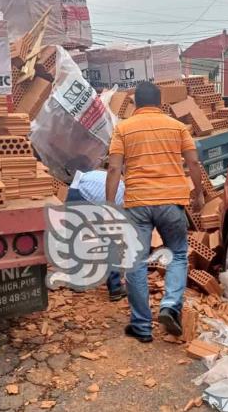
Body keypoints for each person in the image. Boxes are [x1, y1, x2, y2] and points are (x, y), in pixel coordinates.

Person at [106, 81, 205, 343]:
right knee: (178, 254)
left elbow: (114, 169)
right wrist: (199, 193)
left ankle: (141, 325)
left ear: (136, 103)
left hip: (137, 203)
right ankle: (170, 305)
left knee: (136, 263)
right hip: (172, 201)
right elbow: (193, 161)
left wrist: (109, 205)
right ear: (161, 103)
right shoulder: (178, 127)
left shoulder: (123, 129)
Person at [67, 164, 127, 302]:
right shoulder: (123, 195)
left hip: (76, 190)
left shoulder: (110, 178)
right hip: (85, 194)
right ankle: (115, 288)